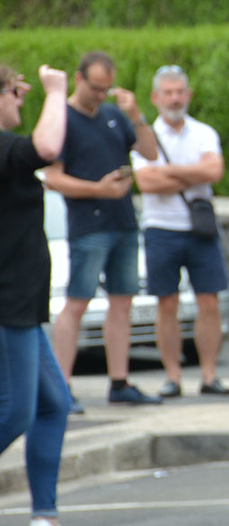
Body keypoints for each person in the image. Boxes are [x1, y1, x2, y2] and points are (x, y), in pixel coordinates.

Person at [44, 51, 162, 411]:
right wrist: (98, 189)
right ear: (79, 79)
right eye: (95, 88)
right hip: (88, 225)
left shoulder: (113, 115)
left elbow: (150, 153)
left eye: (105, 89)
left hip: (123, 221)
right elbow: (52, 177)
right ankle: (62, 386)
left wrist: (136, 116)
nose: (99, 95)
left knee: (122, 302)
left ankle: (119, 381)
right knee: (77, 302)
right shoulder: (63, 119)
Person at [0, 63, 73, 526]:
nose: (21, 100)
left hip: (22, 302)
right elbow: (46, 147)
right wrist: (55, 90)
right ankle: (45, 517)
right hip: (8, 302)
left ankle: (45, 519)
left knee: (53, 404)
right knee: (14, 412)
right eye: (14, 93)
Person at [131, 65, 229, 398]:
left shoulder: (204, 132)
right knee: (167, 304)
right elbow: (147, 182)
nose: (174, 98)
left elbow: (214, 171)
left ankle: (209, 375)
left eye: (179, 92)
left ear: (188, 95)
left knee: (209, 301)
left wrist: (169, 172)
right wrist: (193, 173)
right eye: (168, 93)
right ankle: (173, 377)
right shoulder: (145, 138)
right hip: (161, 228)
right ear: (155, 98)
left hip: (199, 229)